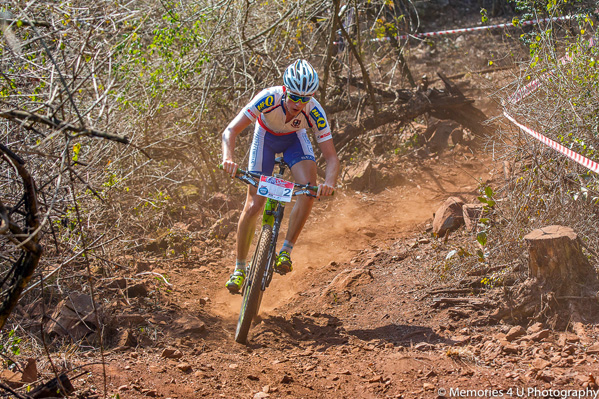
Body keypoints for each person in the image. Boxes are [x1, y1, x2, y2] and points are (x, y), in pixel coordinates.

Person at [221, 59, 340, 293]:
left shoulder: (314, 111)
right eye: (294, 96)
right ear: (285, 89)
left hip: (295, 139)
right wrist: (228, 157)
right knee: (254, 205)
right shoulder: (268, 97)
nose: (298, 103)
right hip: (265, 138)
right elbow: (231, 130)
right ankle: (239, 269)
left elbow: (332, 157)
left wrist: (330, 183)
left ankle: (285, 250)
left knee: (308, 189)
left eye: (305, 98)